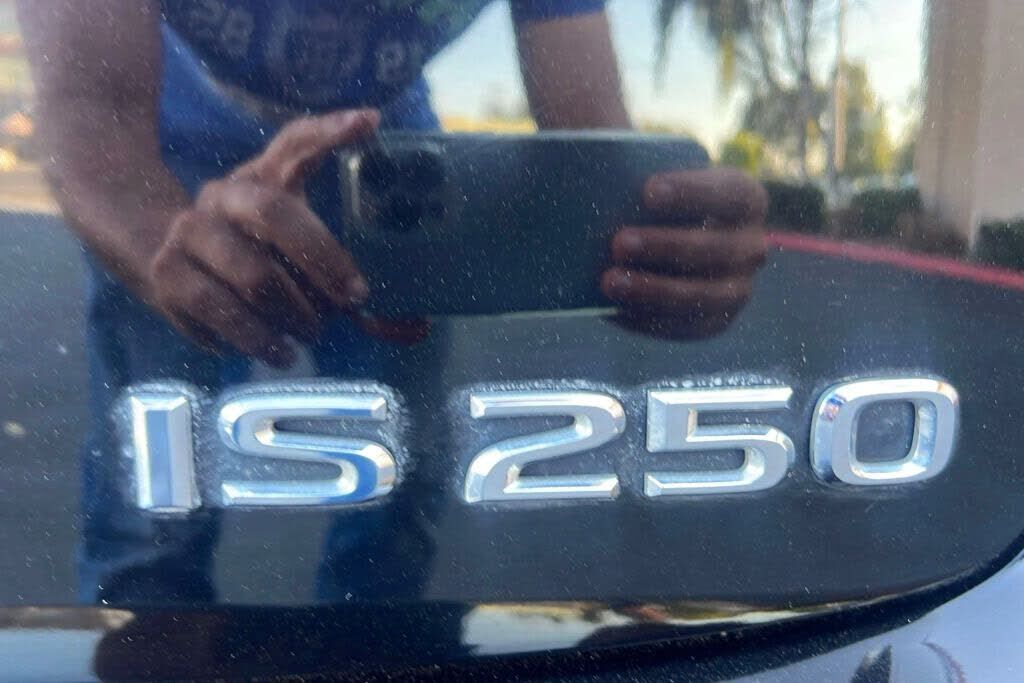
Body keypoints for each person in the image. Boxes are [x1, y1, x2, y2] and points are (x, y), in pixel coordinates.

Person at [18, 0, 768, 604]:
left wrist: (665, 246)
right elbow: (89, 104)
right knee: (152, 511)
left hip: (385, 153)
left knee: (395, 491)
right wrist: (163, 247)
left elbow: (592, 144)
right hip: (171, 150)